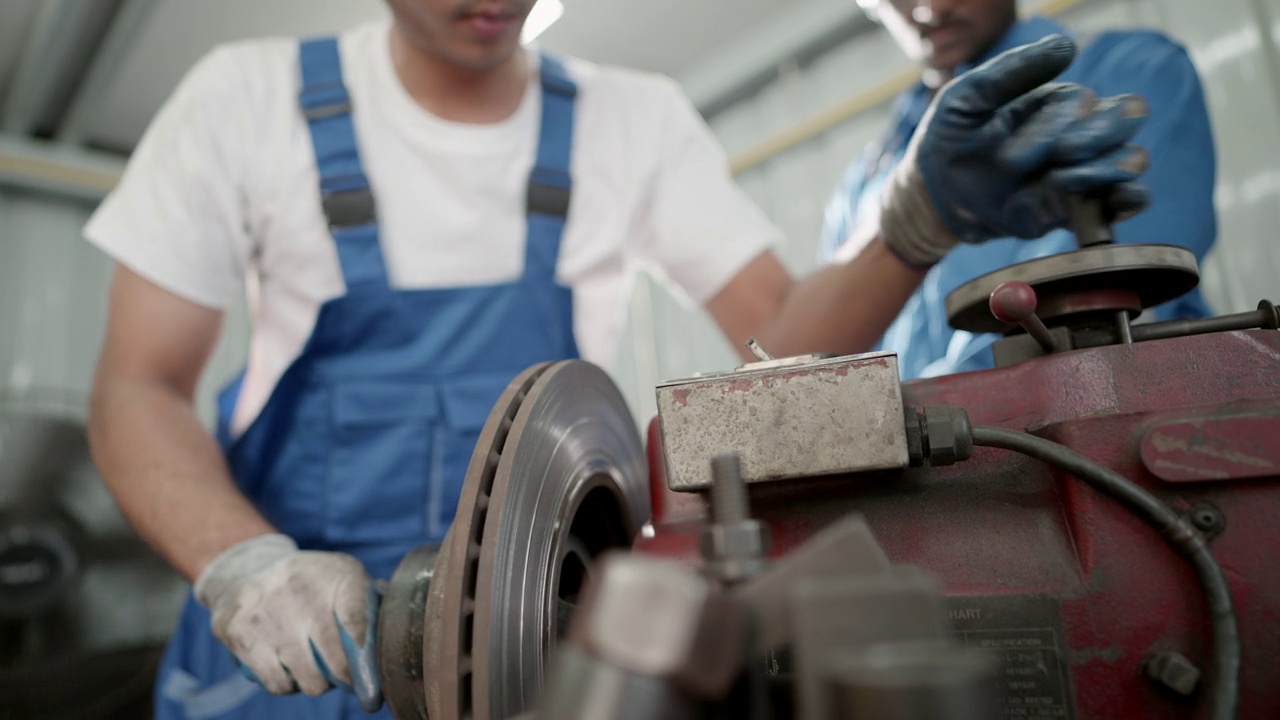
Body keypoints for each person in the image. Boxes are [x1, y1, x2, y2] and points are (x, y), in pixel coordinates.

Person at [82, 0, 1151, 717]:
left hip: (523, 656)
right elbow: (140, 387)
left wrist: (911, 228)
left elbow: (779, 350)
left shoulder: (631, 124)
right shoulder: (244, 102)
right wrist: (245, 567)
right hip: (284, 663)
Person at [820, 0, 1218, 379]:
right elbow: (837, 350)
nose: (931, 9)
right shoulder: (863, 183)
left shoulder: (1132, 71)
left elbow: (1100, 302)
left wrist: (919, 412)